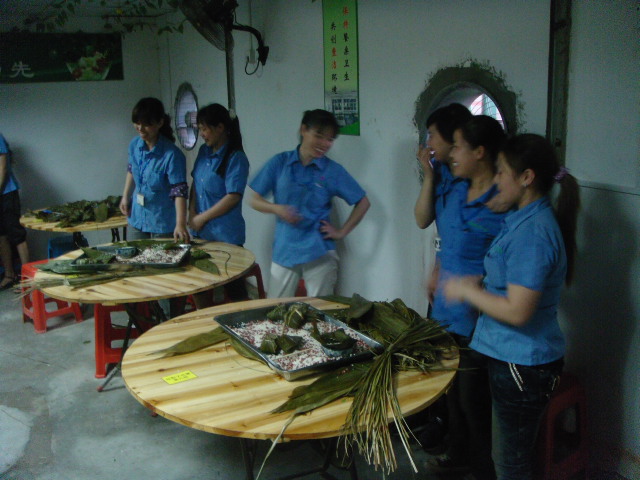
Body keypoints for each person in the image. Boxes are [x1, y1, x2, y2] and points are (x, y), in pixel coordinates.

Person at [444, 133, 580, 480]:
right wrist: (482, 283)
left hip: (522, 364)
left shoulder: (533, 233)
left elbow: (518, 311)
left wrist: (467, 291)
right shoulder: (523, 219)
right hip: (504, 352)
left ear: (526, 177)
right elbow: (510, 281)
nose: (497, 179)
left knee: (511, 463)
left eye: (502, 172)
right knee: (501, 453)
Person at [423, 115, 507, 480]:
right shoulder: (458, 190)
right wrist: (437, 268)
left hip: (477, 322)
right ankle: (457, 455)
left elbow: (509, 266)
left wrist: (480, 282)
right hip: (445, 312)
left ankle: (484, 469)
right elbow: (447, 238)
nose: (452, 154)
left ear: (480, 152)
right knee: (452, 394)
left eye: (458, 147)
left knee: (475, 403)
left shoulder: (501, 203)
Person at [249, 109, 370, 298]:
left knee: (321, 309)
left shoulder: (332, 170)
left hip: (319, 250)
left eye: (330, 139)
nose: (324, 144)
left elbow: (363, 202)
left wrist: (340, 232)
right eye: (319, 136)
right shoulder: (280, 163)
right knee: (276, 307)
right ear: (303, 130)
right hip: (286, 248)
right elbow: (254, 200)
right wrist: (277, 209)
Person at [412, 103, 472, 455]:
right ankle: (443, 428)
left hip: (467, 300)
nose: (428, 142)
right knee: (442, 369)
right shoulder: (445, 176)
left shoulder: (480, 186)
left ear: (455, 140)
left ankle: (461, 448)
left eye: (433, 135)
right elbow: (424, 221)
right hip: (444, 294)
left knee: (464, 382)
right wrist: (429, 174)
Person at [189, 103, 250, 306]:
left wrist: (202, 217)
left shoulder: (236, 158)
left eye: (204, 129)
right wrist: (191, 212)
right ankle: (204, 319)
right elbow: (195, 184)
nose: (202, 134)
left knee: (235, 292)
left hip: (226, 237)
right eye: (200, 129)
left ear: (220, 128)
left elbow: (233, 197)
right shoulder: (203, 152)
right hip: (201, 234)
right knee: (199, 286)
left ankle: (242, 320)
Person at [119, 97, 189, 243]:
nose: (140, 128)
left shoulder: (172, 155)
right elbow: (131, 170)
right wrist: (125, 196)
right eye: (137, 123)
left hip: (161, 222)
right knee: (134, 255)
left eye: (146, 124)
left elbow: (179, 192)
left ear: (160, 123)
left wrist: (180, 224)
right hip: (137, 218)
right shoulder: (134, 145)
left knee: (160, 257)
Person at [0, 133, 29, 290]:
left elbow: (3, 167)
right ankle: (9, 275)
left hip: (7, 193)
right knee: (1, 235)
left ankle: (26, 277)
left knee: (17, 234)